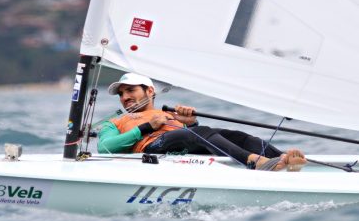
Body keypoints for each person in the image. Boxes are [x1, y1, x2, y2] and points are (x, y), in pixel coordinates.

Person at [98, 73, 307, 171]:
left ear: (149, 91)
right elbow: (105, 147)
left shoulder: (169, 114)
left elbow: (197, 138)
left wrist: (190, 122)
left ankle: (281, 158)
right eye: (121, 94)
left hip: (181, 149)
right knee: (196, 133)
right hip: (151, 148)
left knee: (236, 135)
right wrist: (147, 127)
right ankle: (254, 161)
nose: (125, 97)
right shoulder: (115, 121)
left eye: (130, 90)